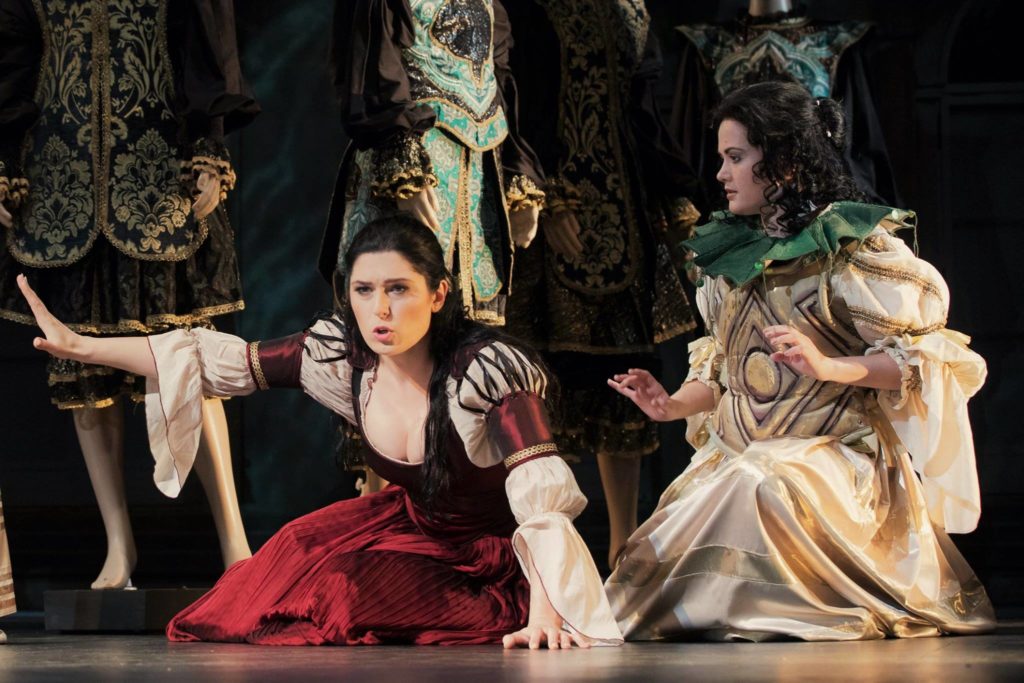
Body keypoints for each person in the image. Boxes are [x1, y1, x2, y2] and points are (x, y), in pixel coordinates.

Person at [16, 214, 621, 648]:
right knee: (268, 569)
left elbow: (544, 504)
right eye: (364, 290)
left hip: (494, 559)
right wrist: (82, 346)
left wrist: (548, 613)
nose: (380, 310)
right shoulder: (341, 359)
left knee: (340, 590)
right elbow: (213, 358)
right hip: (410, 525)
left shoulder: (486, 372)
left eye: (399, 290)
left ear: (438, 295)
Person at [605, 81, 995, 641]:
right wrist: (670, 405)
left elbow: (920, 361)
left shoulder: (850, 250)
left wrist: (830, 367)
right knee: (647, 557)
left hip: (833, 459)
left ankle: (775, 610)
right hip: (740, 457)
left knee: (761, 485)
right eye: (723, 158)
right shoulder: (728, 258)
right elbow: (725, 373)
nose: (721, 174)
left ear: (784, 163)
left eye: (736, 157)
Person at [0, 0, 258, 588]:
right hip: (61, 176)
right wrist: (4, 160)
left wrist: (210, 143)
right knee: (82, 372)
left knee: (185, 359)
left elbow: (206, 43)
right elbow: (14, 54)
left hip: (157, 171)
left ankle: (236, 543)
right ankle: (118, 544)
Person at [503, 0, 701, 571]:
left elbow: (643, 109)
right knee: (544, 376)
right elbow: (517, 101)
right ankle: (546, 544)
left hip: (623, 210)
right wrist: (541, 192)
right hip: (547, 213)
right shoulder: (526, 6)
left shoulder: (630, 8)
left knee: (623, 370)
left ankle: (625, 546)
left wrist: (671, 192)